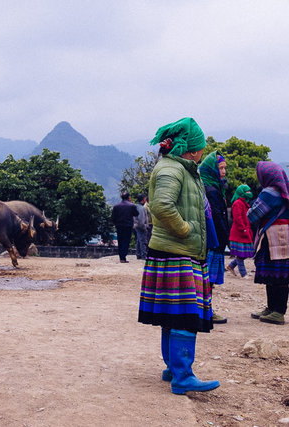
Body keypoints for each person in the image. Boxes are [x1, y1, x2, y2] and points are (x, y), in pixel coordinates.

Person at [138, 117, 220, 395]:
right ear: (191, 149)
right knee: (185, 315)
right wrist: (186, 229)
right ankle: (182, 376)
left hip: (176, 252)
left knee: (173, 315)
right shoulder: (172, 170)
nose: (201, 151)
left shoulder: (180, 168)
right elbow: (161, 205)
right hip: (178, 252)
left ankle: (173, 368)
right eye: (199, 147)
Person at [247, 161, 289, 325]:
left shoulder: (270, 192)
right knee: (277, 274)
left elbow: (252, 215)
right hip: (283, 237)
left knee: (276, 275)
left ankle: (277, 312)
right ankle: (272, 309)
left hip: (273, 237)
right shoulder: (284, 190)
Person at [199, 151, 229, 324]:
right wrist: (225, 237)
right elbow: (217, 216)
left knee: (208, 279)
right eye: (221, 168)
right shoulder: (211, 190)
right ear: (212, 169)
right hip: (213, 240)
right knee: (208, 280)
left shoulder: (214, 186)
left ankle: (206, 309)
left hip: (213, 240)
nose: (224, 172)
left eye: (225, 168)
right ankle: (206, 310)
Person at [227, 185, 255, 278]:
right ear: (242, 192)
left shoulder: (245, 203)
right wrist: (243, 228)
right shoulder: (238, 203)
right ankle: (243, 274)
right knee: (240, 254)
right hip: (239, 232)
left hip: (244, 231)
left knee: (245, 253)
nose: (249, 193)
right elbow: (238, 218)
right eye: (247, 191)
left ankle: (230, 266)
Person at [111, 192, 138, 263]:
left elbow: (113, 218)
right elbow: (136, 214)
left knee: (120, 241)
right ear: (129, 197)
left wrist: (116, 224)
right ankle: (123, 257)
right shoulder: (132, 205)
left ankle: (121, 257)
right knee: (126, 241)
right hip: (128, 226)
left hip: (119, 226)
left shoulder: (116, 206)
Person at [134, 194, 149, 259]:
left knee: (138, 240)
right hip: (141, 226)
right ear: (143, 200)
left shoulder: (137, 206)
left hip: (137, 226)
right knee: (143, 241)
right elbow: (141, 219)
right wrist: (144, 227)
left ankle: (138, 254)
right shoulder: (141, 208)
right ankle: (143, 255)